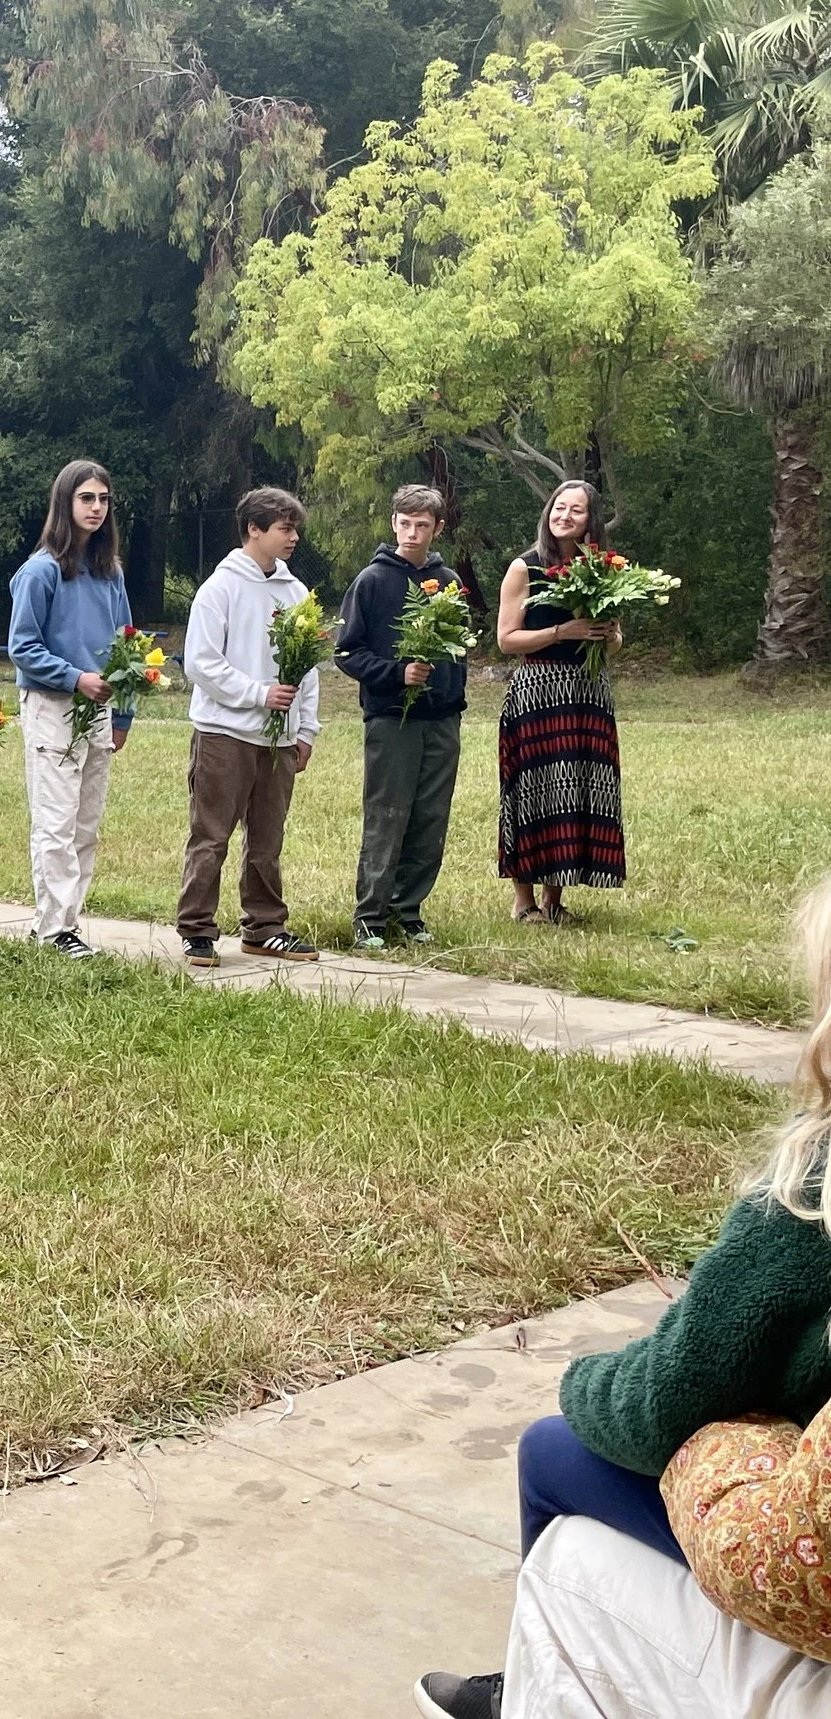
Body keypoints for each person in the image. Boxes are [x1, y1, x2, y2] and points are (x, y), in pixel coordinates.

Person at [413, 871, 831, 1719]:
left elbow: (665, 1396)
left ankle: (530, 1682)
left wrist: (584, 1381)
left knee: (551, 1451)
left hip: (796, 1560)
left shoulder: (806, 1196)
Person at [176, 487, 322, 968]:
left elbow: (309, 667)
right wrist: (257, 693)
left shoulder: (295, 591)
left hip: (279, 737)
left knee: (267, 837)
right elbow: (199, 663)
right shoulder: (219, 589)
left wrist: (305, 730)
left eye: (294, 528)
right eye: (284, 528)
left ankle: (265, 926)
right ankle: (197, 927)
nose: (293, 537)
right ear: (253, 529)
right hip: (224, 732)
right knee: (211, 833)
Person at [8, 460, 134, 962]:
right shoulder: (41, 570)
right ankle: (52, 928)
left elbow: (127, 645)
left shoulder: (111, 572)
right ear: (65, 503)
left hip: (99, 709)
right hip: (54, 705)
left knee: (85, 823)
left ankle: (69, 923)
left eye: (104, 499)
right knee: (55, 822)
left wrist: (122, 714)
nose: (97, 508)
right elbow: (23, 646)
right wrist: (75, 677)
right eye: (87, 498)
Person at [335, 484, 468, 952]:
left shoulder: (448, 580)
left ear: (438, 529)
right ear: (393, 523)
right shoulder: (371, 581)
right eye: (405, 523)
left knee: (431, 817)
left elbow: (458, 647)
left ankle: (407, 911)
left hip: (442, 719)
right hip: (392, 717)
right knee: (388, 815)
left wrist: (448, 692)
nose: (413, 533)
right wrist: (397, 674)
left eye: (423, 526)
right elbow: (347, 652)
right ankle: (370, 915)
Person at [496, 480, 626, 927]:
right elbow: (506, 639)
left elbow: (613, 641)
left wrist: (609, 636)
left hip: (587, 691)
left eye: (577, 510)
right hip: (538, 689)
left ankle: (555, 898)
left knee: (575, 788)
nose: (564, 516)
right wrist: (561, 632)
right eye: (559, 507)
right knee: (533, 789)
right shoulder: (525, 568)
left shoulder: (602, 570)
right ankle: (524, 901)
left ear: (591, 521)